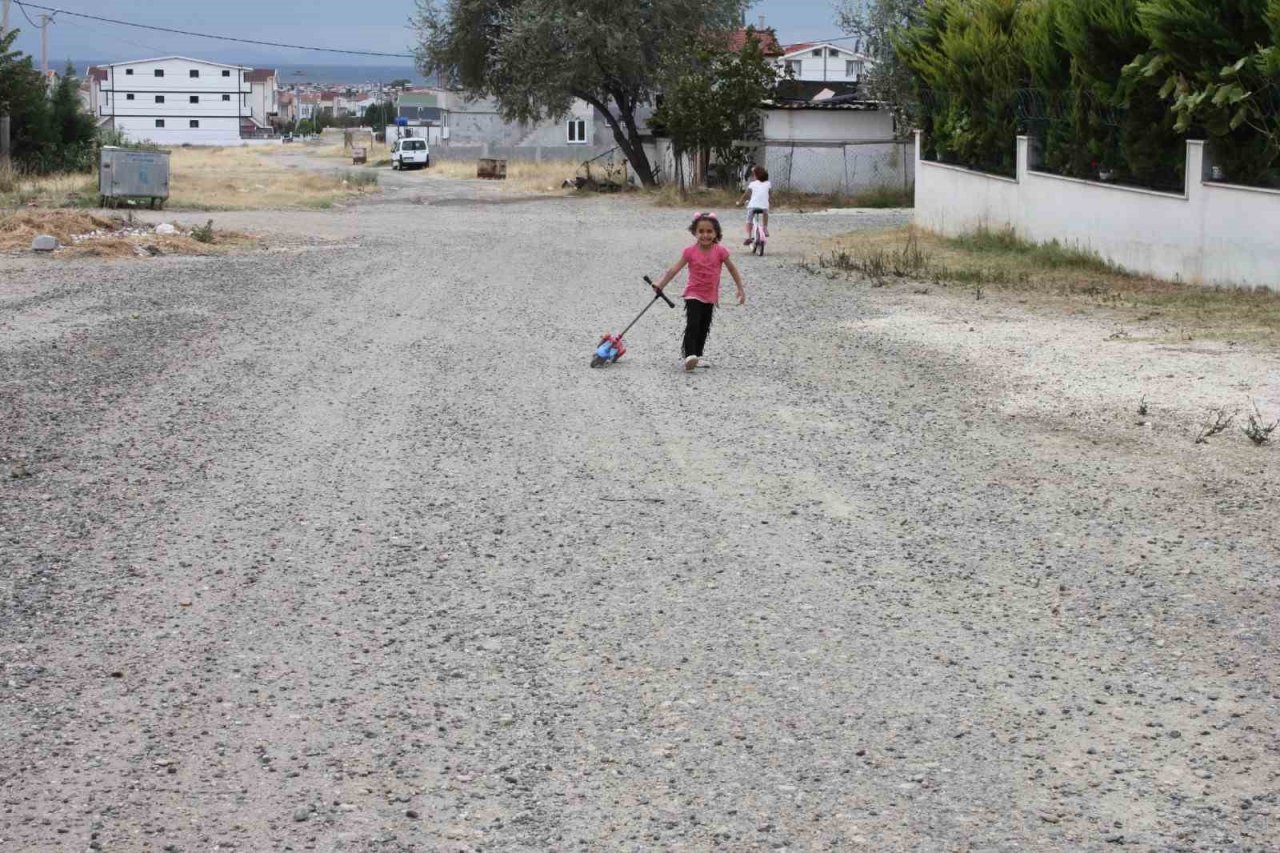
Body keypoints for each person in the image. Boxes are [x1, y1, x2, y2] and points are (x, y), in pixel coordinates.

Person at [653, 213, 747, 372]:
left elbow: (732, 269)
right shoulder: (690, 252)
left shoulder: (720, 251)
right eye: (701, 231)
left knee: (704, 326)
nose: (705, 235)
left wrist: (740, 288)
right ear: (694, 232)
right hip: (693, 294)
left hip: (710, 296)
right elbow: (674, 269)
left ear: (716, 233)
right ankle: (689, 355)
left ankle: (698, 355)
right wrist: (660, 284)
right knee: (693, 324)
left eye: (709, 231)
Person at [738, 165, 771, 244]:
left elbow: (746, 195)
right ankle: (765, 228)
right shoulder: (768, 183)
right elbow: (769, 194)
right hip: (764, 206)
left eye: (753, 175)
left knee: (749, 220)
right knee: (765, 213)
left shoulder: (752, 184)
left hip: (753, 206)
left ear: (756, 175)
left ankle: (749, 237)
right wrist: (769, 201)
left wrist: (740, 202)